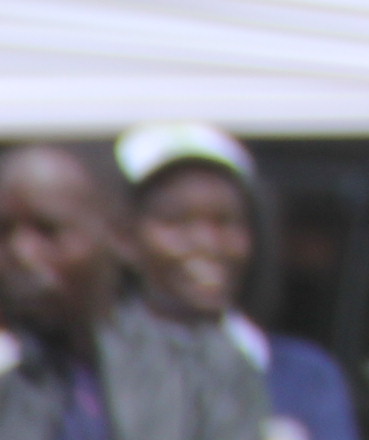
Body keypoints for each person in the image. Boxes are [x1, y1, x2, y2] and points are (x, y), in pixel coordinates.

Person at [0, 144, 262, 440]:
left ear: (117, 235)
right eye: (3, 233)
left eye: (48, 232)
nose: (21, 255)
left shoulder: (204, 369)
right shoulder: (16, 375)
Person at [109, 127, 355, 440]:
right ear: (126, 239)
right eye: (177, 222)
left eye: (225, 221)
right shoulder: (89, 369)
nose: (207, 243)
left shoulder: (304, 377)